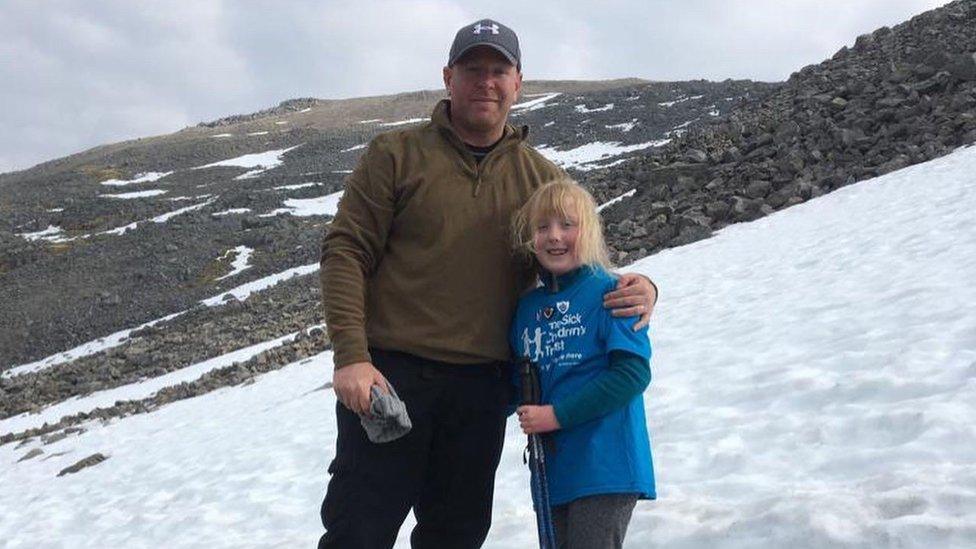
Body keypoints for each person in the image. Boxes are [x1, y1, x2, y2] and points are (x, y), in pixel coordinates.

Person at [318, 18, 658, 549]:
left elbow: (576, 259)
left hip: (483, 389)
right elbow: (345, 250)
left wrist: (644, 287)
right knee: (359, 530)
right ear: (448, 77)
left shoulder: (542, 179)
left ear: (518, 82)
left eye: (499, 70)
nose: (486, 81)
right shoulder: (396, 154)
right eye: (473, 69)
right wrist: (351, 357)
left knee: (456, 534)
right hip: (390, 375)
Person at [511, 179, 654, 549]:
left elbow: (632, 374)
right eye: (542, 227)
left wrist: (555, 416)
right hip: (553, 471)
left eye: (567, 225)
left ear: (588, 230)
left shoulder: (613, 291)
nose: (554, 237)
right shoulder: (526, 309)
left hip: (605, 466)